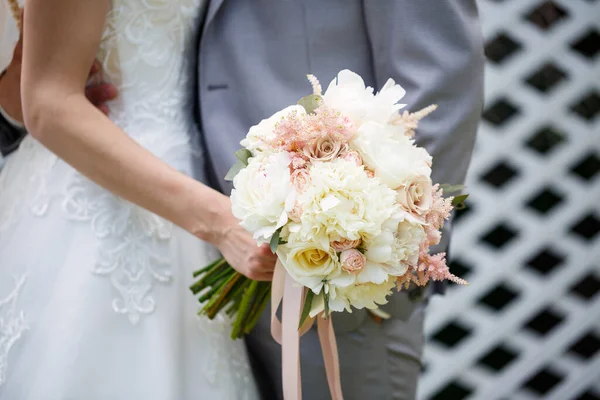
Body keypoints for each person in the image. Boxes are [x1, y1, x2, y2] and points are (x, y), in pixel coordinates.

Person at [0, 1, 484, 399]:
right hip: (143, 227)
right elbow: (43, 97)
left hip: (326, 273)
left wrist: (384, 246)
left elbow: (439, 82)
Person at [0, 0, 273, 398]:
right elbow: (47, 103)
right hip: (92, 206)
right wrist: (220, 222)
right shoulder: (217, 221)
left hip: (192, 188)